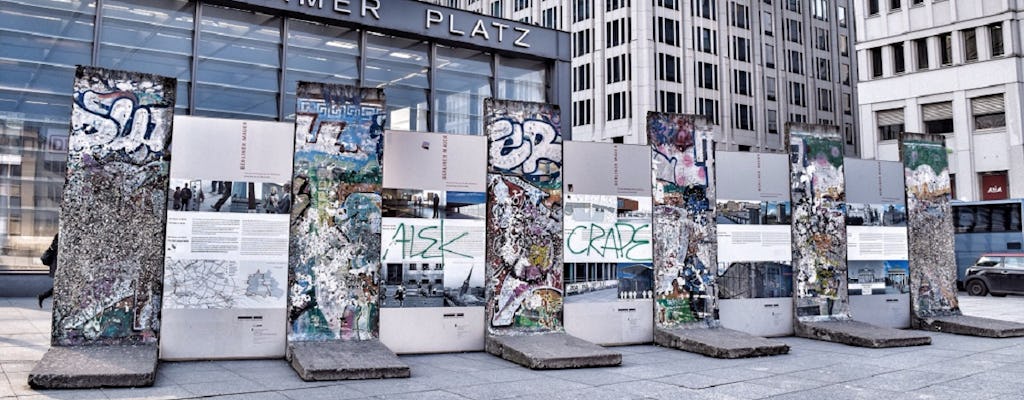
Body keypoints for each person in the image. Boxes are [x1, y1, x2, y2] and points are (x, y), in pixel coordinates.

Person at [37, 234, 58, 308]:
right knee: (59, 287)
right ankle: (43, 296)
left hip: (57, 265)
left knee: (58, 287)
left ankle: (43, 296)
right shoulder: (59, 236)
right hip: (57, 266)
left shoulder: (58, 236)